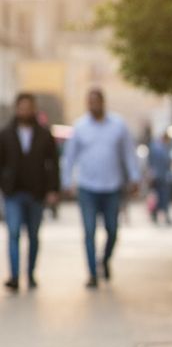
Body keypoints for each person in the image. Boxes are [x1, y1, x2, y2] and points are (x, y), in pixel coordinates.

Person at [61, 88, 141, 287]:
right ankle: (92, 274)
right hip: (87, 187)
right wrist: (66, 182)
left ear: (103, 102)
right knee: (89, 231)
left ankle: (104, 261)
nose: (93, 105)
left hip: (112, 186)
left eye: (96, 101)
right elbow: (69, 157)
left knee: (112, 230)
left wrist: (134, 177)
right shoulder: (80, 127)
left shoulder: (118, 125)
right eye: (90, 102)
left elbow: (128, 154)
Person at [0, 92, 60, 291]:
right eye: (22, 107)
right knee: (14, 232)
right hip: (13, 192)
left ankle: (31, 273)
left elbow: (53, 163)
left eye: (28, 107)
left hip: (36, 192)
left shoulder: (44, 134)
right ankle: (15, 276)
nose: (25, 110)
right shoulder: (5, 134)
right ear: (17, 109)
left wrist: (53, 189)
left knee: (33, 236)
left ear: (34, 109)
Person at [147, 132, 172, 224]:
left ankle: (157, 214)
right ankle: (163, 215)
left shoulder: (155, 146)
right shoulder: (161, 148)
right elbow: (167, 161)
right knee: (163, 197)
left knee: (158, 196)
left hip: (157, 176)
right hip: (162, 176)